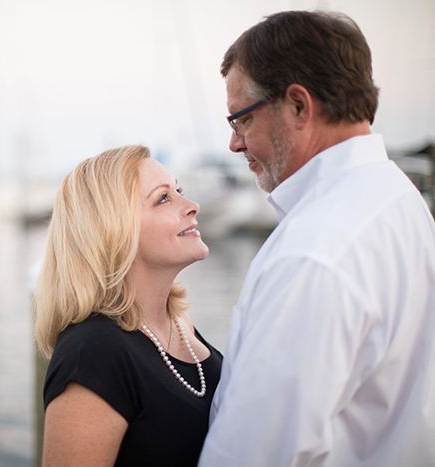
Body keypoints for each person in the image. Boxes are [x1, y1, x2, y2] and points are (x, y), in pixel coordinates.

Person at [199, 10, 435, 467]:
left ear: (299, 106)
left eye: (240, 119)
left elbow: (254, 454)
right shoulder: (402, 203)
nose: (234, 144)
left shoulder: (314, 252)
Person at [35, 145, 222, 466]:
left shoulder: (179, 321)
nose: (192, 206)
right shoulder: (92, 352)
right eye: (164, 198)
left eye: (179, 191)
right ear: (114, 229)